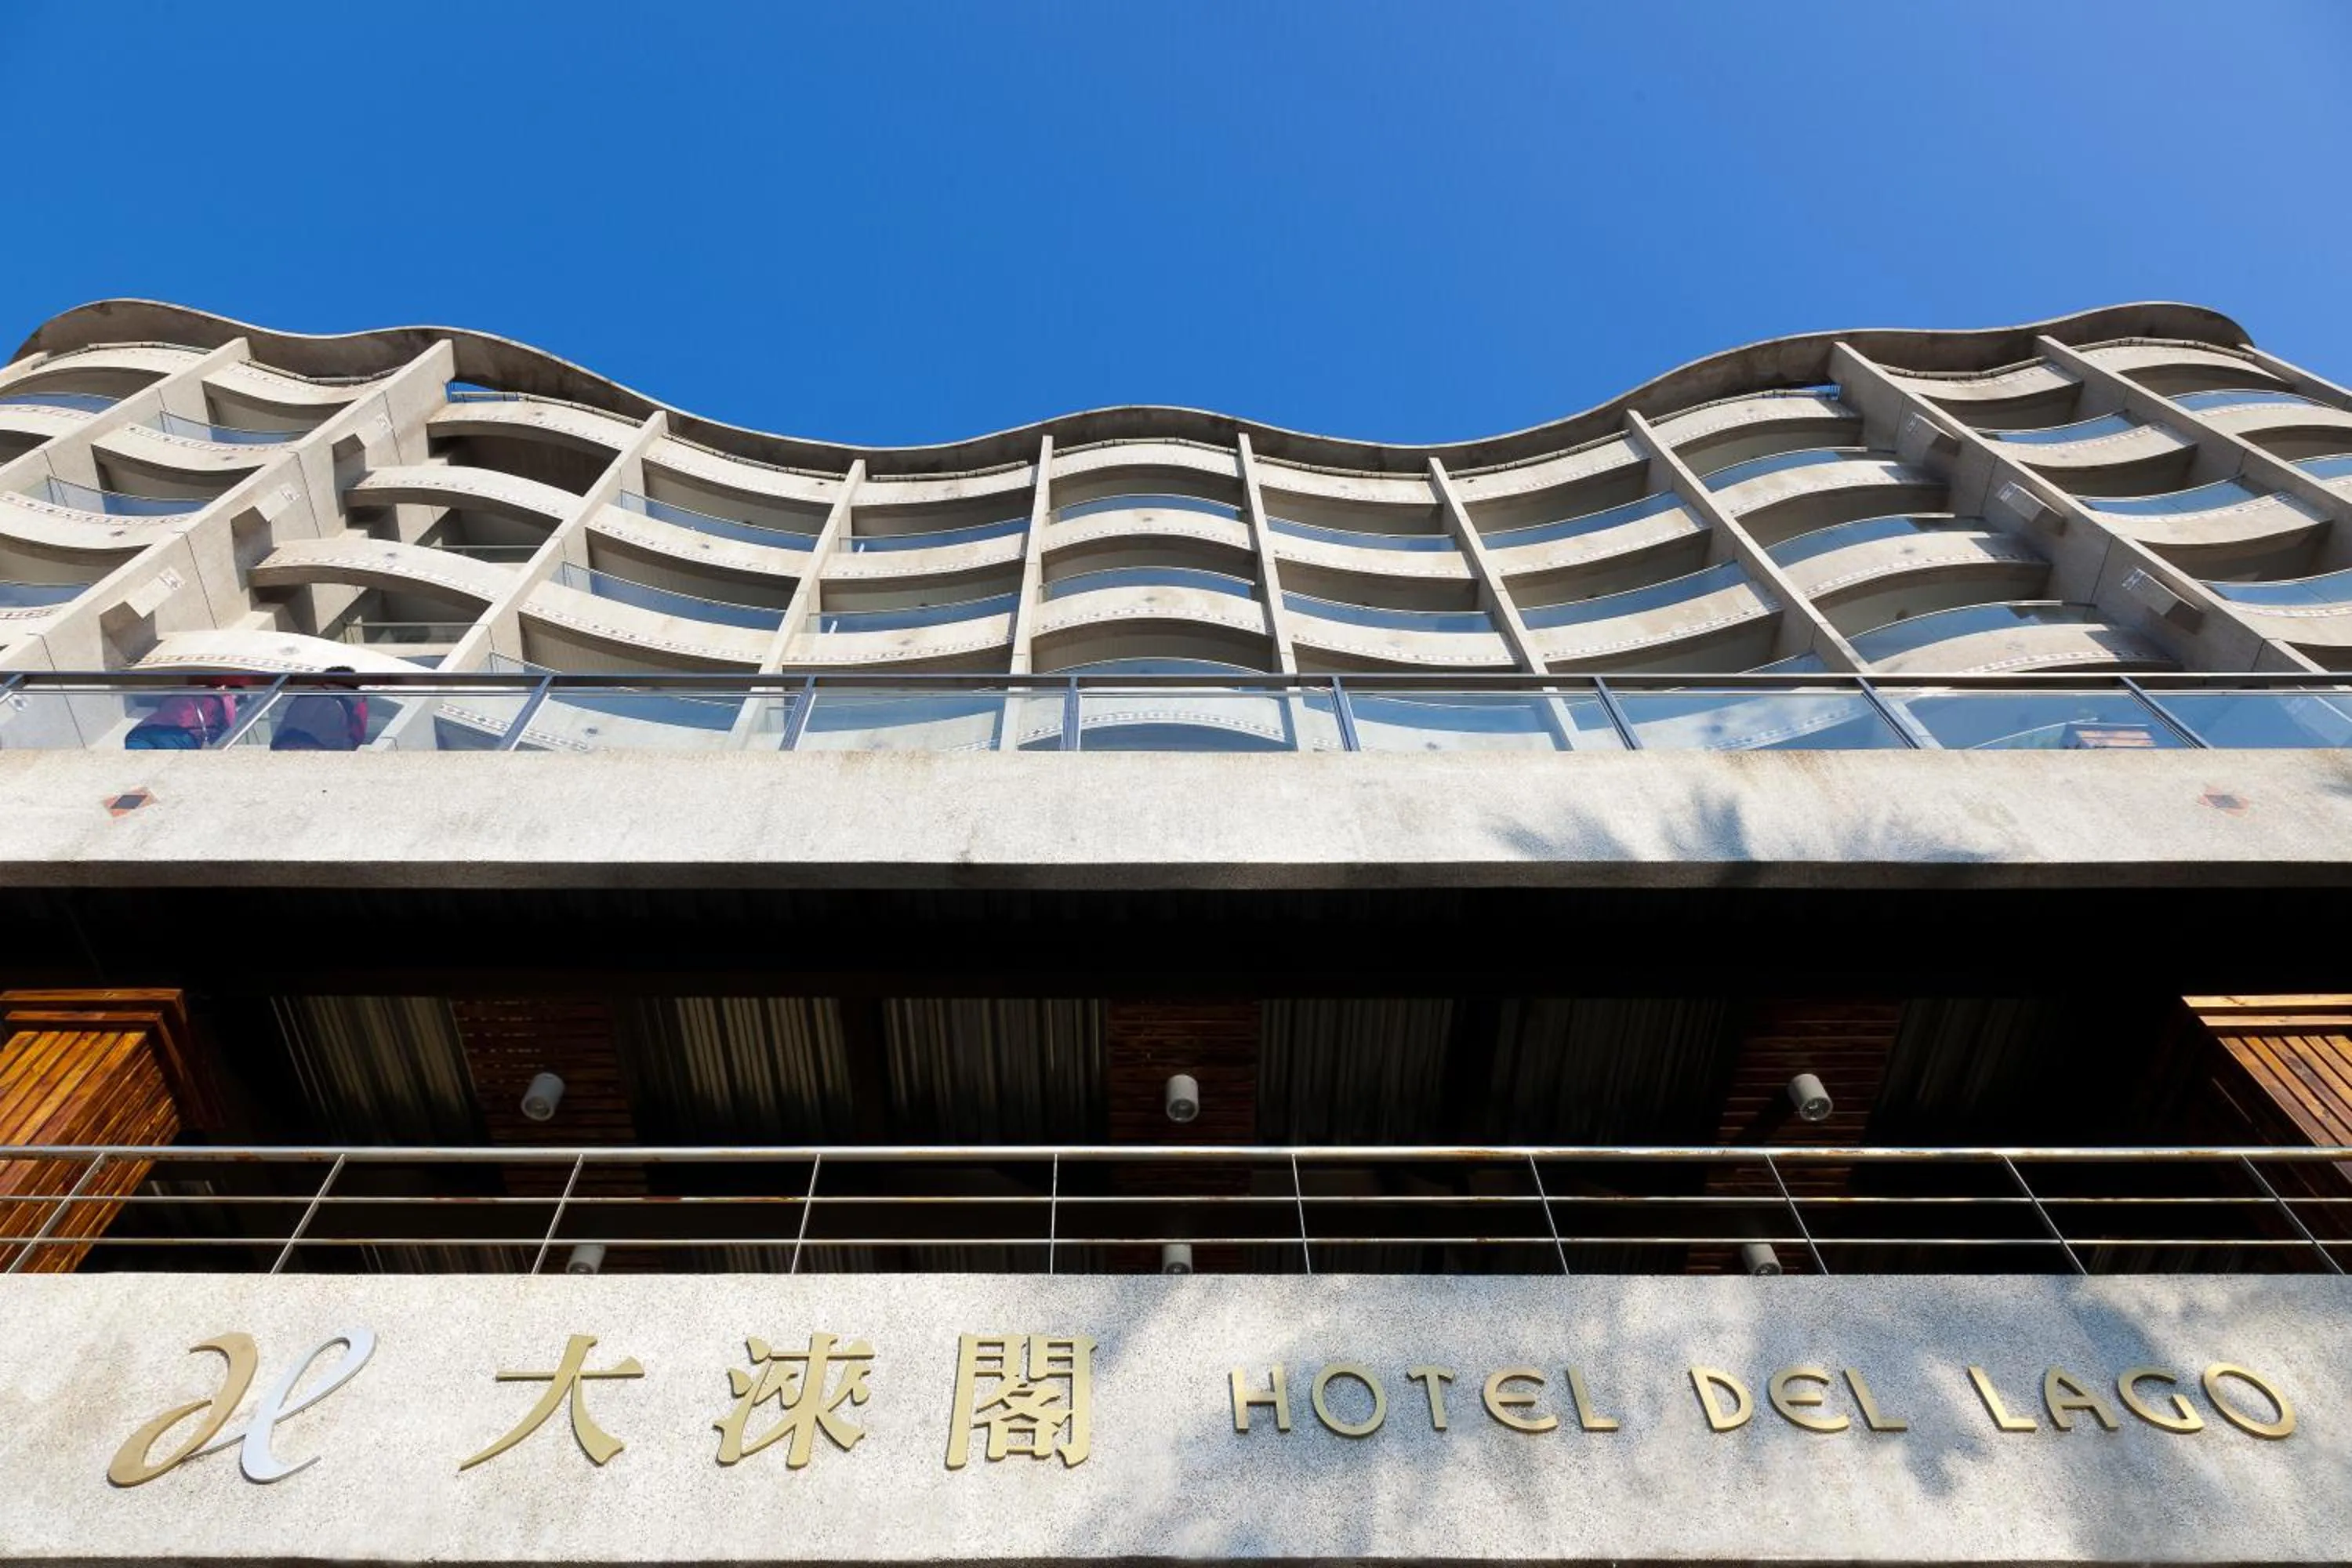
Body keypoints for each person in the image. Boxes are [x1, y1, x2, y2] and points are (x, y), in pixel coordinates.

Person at [123, 675, 252, 749]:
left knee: (134, 774)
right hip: (180, 736)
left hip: (143, 730)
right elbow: (225, 734)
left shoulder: (193, 688)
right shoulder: (227, 698)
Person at [269, 666, 370, 752]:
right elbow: (357, 735)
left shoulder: (308, 694)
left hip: (286, 746)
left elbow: (287, 723)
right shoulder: (357, 699)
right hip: (325, 750)